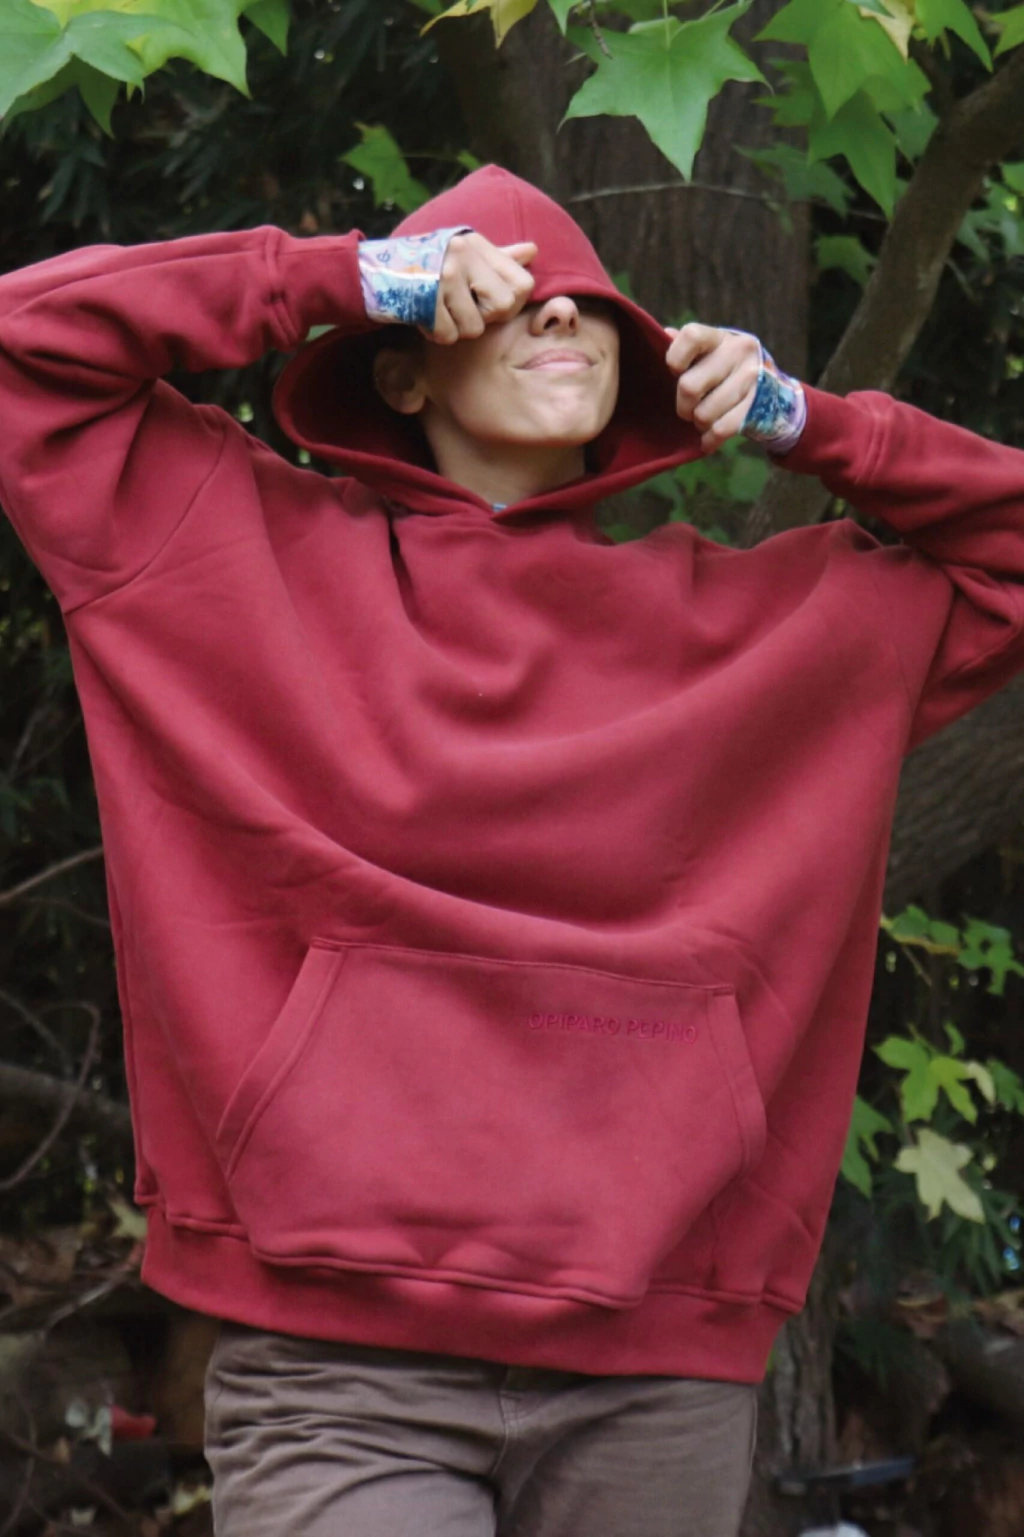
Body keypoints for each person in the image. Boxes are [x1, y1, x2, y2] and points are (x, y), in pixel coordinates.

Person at [1, 163, 1023, 1537]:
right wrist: (342, 275)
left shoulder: (763, 627)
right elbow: (25, 351)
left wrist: (815, 424)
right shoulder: (225, 550)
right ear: (402, 369)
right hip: (334, 1358)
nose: (559, 317)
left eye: (591, 308)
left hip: (654, 1365)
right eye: (505, 293)